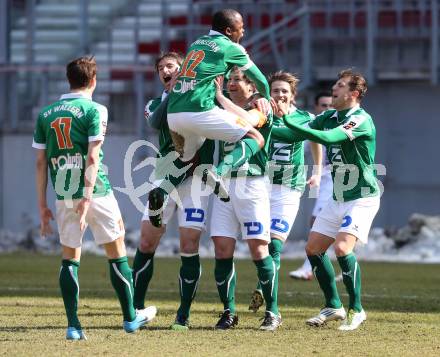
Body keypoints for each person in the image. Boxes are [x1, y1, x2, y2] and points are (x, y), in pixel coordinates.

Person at [32, 56, 156, 340]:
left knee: (69, 259)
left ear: (69, 79)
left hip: (63, 194)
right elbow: (92, 156)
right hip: (95, 191)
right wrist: (87, 198)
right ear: (94, 80)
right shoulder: (95, 109)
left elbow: (40, 162)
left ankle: (74, 326)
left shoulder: (46, 113)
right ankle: (130, 318)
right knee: (116, 251)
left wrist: (42, 205)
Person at [272, 69, 380, 331]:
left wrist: (286, 117)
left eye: (341, 85)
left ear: (353, 94)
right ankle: (333, 305)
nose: (334, 88)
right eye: (335, 83)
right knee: (313, 249)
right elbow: (295, 135)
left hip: (362, 196)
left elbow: (327, 137)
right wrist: (258, 126)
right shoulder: (329, 116)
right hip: (338, 196)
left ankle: (357, 309)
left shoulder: (360, 120)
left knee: (343, 249)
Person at [132, 52, 212, 331]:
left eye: (171, 66)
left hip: (195, 178)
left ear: (183, 70)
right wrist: (172, 93)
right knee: (146, 242)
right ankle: (136, 309)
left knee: (189, 245)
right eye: (161, 68)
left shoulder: (198, 100)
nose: (166, 70)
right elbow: (154, 123)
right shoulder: (155, 103)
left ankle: (183, 315)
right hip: (165, 173)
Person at [166, 8, 271, 190]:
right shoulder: (231, 47)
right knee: (256, 138)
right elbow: (261, 80)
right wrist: (265, 100)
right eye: (241, 27)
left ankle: (160, 191)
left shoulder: (196, 43)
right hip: (198, 111)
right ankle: (219, 171)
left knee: (187, 161)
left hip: (174, 114)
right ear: (229, 31)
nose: (243, 31)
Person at [210, 70, 280, 331]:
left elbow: (244, 120)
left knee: (259, 249)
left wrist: (218, 96)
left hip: (252, 184)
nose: (230, 83)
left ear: (252, 87)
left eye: (237, 79)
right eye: (229, 79)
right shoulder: (220, 108)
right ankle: (229, 312)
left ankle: (272, 311)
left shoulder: (262, 108)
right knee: (222, 249)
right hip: (223, 185)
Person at [248, 71, 322, 314]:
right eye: (275, 90)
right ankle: (266, 291)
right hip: (261, 185)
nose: (279, 95)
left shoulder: (304, 117)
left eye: (284, 91)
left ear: (292, 95)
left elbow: (315, 140)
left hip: (289, 189)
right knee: (262, 243)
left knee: (275, 246)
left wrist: (318, 170)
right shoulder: (261, 115)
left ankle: (263, 289)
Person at [289, 92, 336, 281]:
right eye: (323, 105)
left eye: (330, 105)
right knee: (327, 223)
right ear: (316, 107)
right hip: (324, 179)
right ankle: (337, 264)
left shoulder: (343, 124)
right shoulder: (314, 128)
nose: (327, 109)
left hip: (341, 178)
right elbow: (302, 147)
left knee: (317, 221)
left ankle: (310, 267)